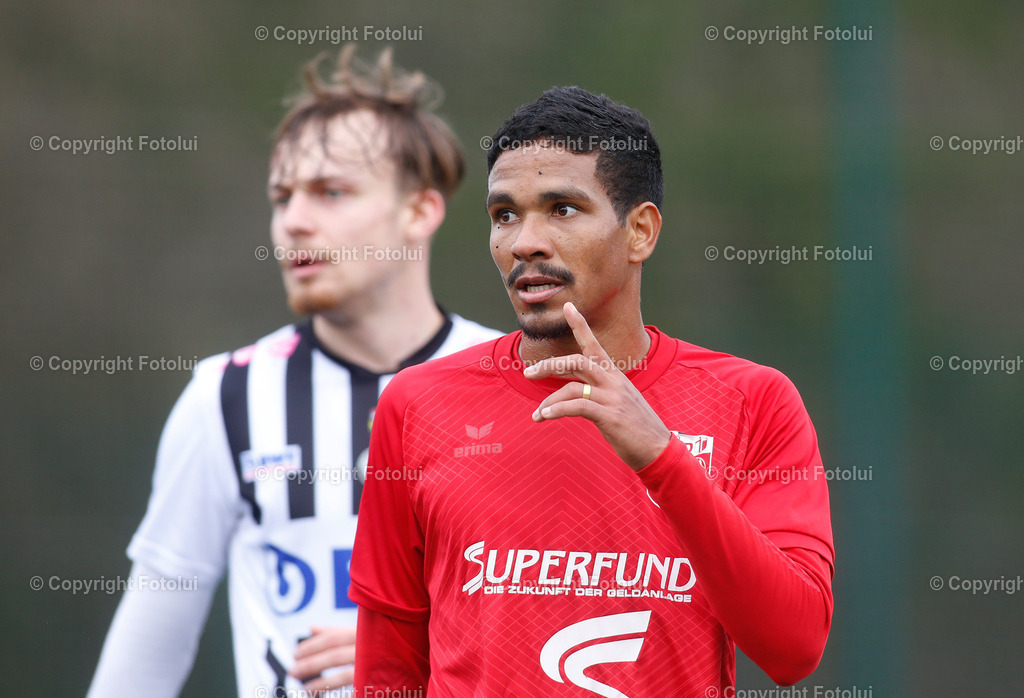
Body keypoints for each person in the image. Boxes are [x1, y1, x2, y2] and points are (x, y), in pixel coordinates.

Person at [349, 86, 835, 696]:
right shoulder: (418, 404)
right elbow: (389, 667)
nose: (525, 241)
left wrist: (663, 460)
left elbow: (794, 646)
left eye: (563, 209)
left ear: (640, 232)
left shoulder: (755, 401)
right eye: (505, 215)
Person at [87, 45, 501, 697]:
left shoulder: (522, 385)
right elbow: (145, 655)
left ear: (419, 212)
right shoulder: (227, 396)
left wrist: (419, 652)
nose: (294, 222)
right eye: (283, 197)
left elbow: (581, 628)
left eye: (331, 192)